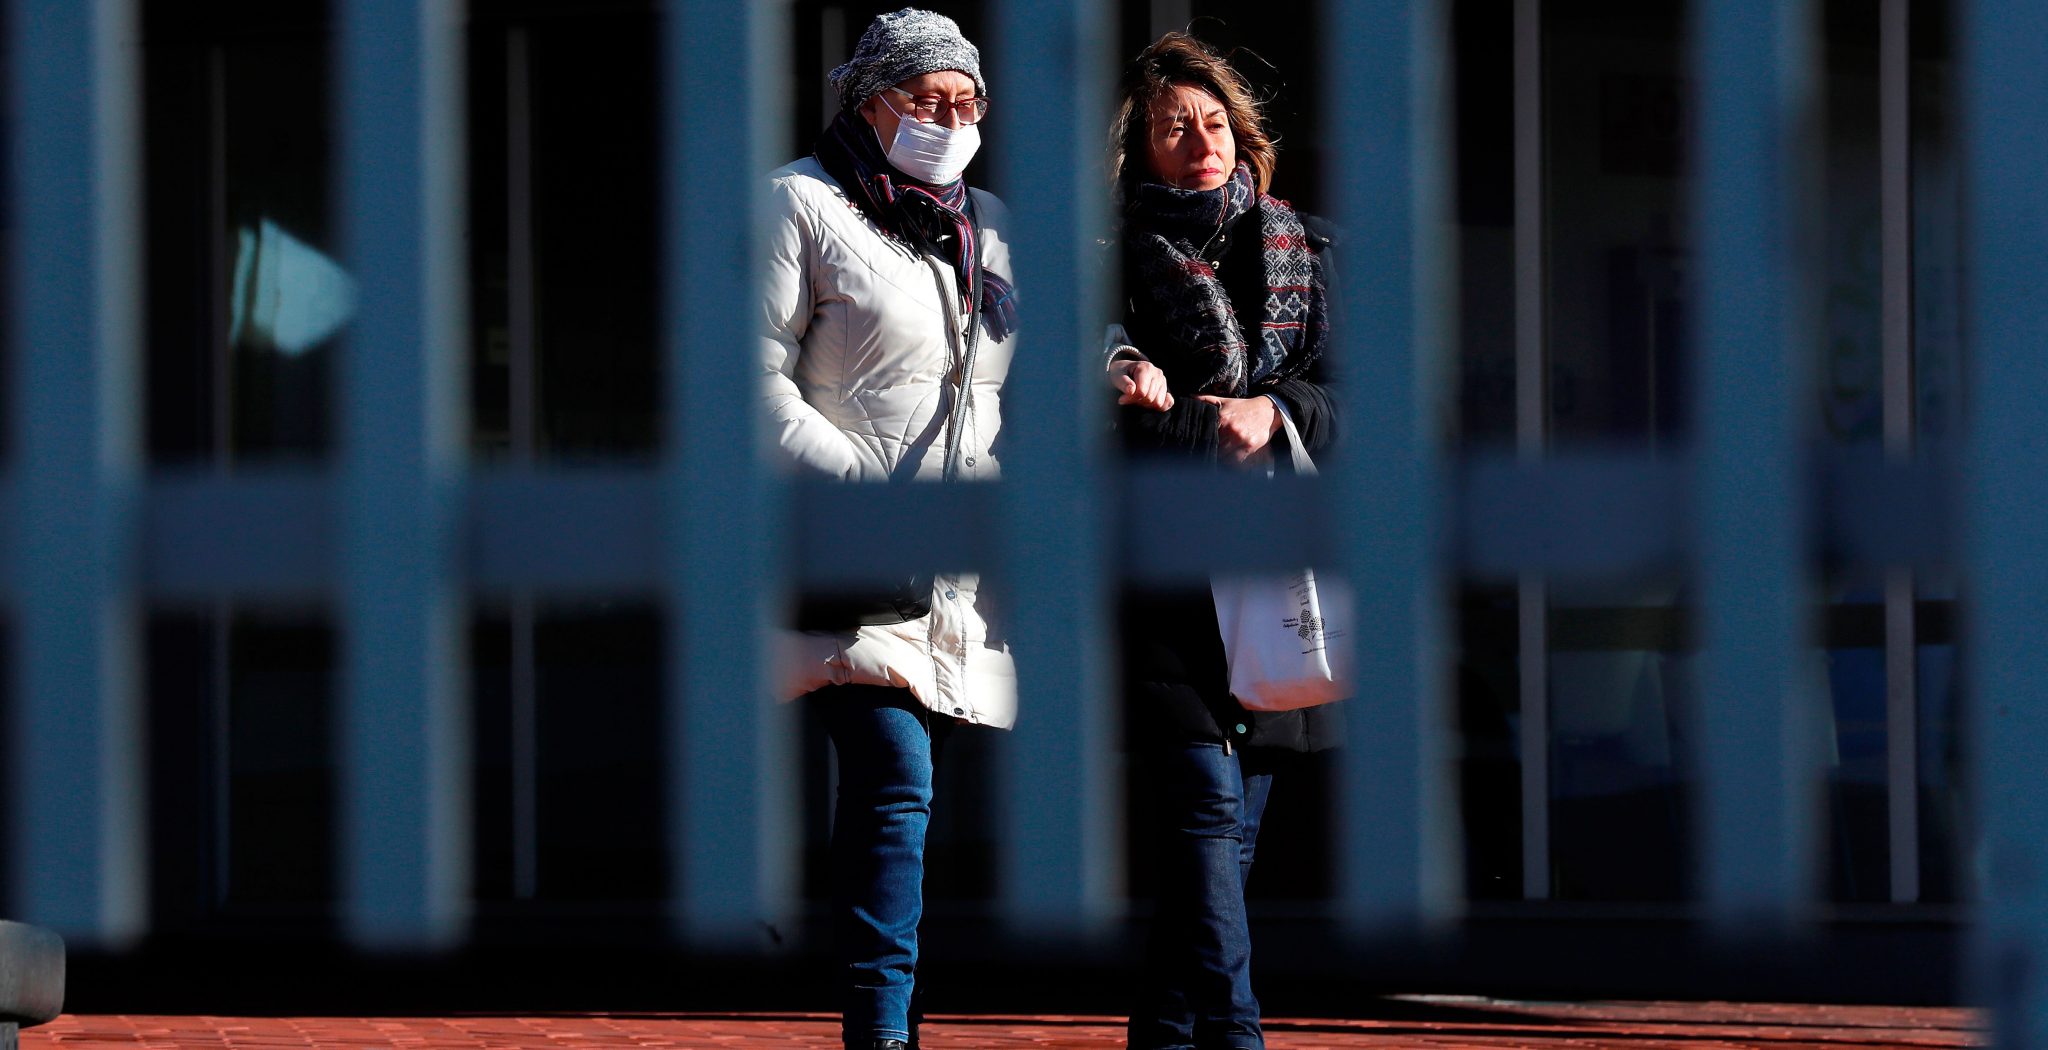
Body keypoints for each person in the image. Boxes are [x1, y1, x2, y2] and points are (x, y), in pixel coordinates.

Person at [757, 10, 1018, 1050]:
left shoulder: (989, 224)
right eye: (927, 100)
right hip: (850, 543)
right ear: (870, 104)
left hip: (960, 561)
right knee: (894, 787)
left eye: (967, 103)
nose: (950, 122)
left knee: (913, 798)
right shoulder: (798, 203)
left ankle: (893, 1011)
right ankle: (879, 1028)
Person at [1104, 31, 1343, 1050]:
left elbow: (1365, 403)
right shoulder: (1103, 268)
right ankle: (1238, 1035)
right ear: (1138, 149)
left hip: (1277, 568)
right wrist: (1185, 416)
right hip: (1164, 580)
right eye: (1173, 127)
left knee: (1229, 841)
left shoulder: (1307, 248)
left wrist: (1276, 413)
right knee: (1206, 816)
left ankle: (1163, 1036)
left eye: (1213, 123)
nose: (1200, 143)